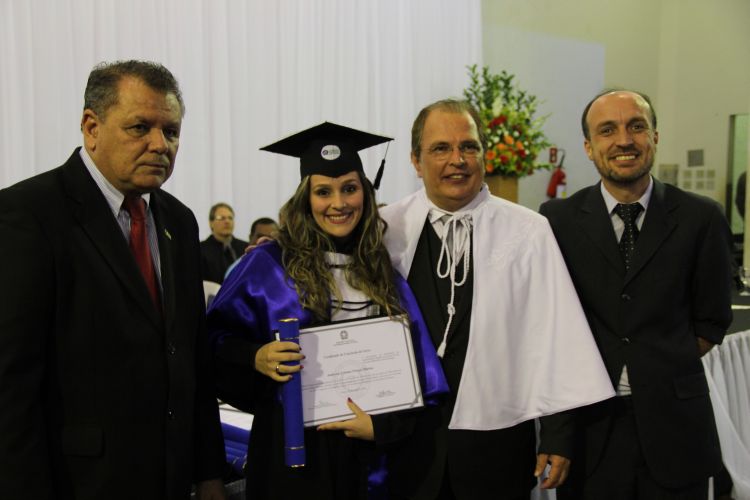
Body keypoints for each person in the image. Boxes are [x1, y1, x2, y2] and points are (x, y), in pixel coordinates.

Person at [0, 60, 226, 500]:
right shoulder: (27, 215)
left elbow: (190, 361)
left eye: (171, 131)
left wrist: (209, 472)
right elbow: (11, 387)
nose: (160, 145)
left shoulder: (179, 222)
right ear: (92, 127)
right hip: (78, 483)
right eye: (140, 127)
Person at [379, 99, 614, 500]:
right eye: (441, 148)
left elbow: (556, 334)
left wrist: (557, 434)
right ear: (416, 161)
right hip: (407, 443)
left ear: (484, 155)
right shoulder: (386, 229)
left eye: (468, 147)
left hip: (496, 443)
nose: (457, 160)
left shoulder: (529, 231)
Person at [206, 122, 449, 500]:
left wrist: (382, 428)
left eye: (349, 188)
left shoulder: (382, 273)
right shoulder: (268, 267)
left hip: (367, 461)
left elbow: (420, 378)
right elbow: (211, 343)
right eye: (323, 192)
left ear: (365, 193)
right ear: (306, 198)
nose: (339, 203)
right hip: (292, 457)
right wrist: (255, 356)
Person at [540, 89, 733, 499]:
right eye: (608, 130)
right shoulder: (556, 220)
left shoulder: (701, 217)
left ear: (655, 137)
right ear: (589, 147)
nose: (624, 140)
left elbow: (712, 320)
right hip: (590, 431)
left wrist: (653, 365)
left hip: (677, 427)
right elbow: (552, 325)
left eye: (637, 126)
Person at [201, 202, 249, 284]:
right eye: (221, 218)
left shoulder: (245, 247)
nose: (227, 221)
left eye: (230, 218)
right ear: (211, 223)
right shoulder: (200, 249)